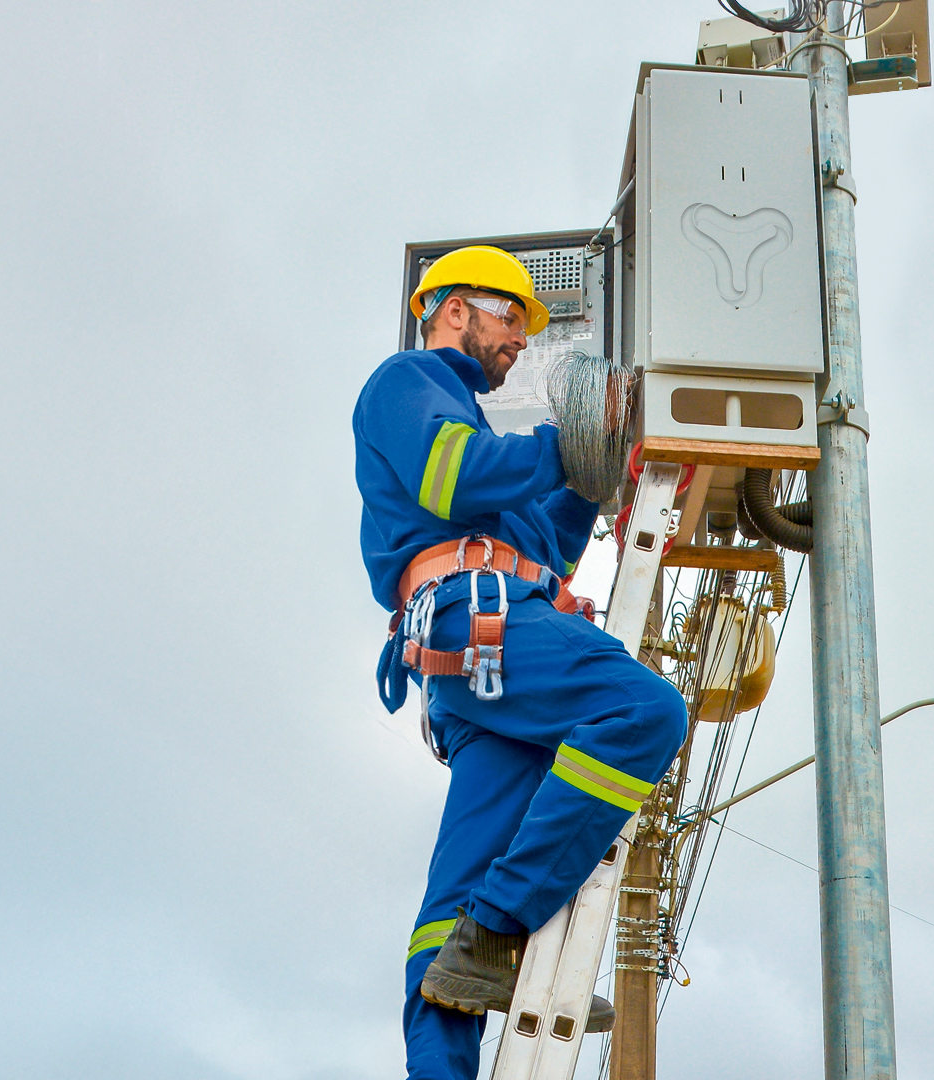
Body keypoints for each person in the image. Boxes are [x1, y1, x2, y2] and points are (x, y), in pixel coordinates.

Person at [352, 245, 689, 1080]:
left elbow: (547, 545)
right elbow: (453, 477)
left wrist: (593, 469)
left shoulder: (480, 439)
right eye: (511, 320)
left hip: (482, 665)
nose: (517, 344)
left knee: (444, 926)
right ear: (455, 309)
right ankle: (502, 928)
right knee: (644, 713)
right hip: (477, 622)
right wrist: (558, 441)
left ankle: (460, 993)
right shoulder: (407, 385)